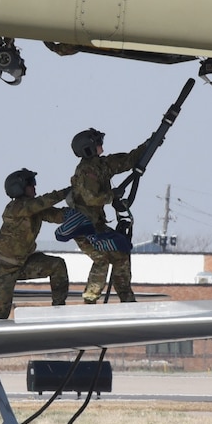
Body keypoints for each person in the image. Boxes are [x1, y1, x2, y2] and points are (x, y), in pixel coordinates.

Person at [68, 128, 146, 304]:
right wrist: (112, 195)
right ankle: (90, 300)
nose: (101, 145)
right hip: (83, 228)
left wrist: (151, 142)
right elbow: (91, 198)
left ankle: (126, 296)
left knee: (121, 253)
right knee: (101, 259)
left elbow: (128, 160)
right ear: (89, 148)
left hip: (97, 226)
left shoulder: (102, 165)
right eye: (98, 143)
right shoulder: (86, 171)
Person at [0, 167, 71, 318]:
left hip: (23, 263)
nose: (34, 186)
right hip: (3, 268)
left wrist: (83, 209)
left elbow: (59, 216)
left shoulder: (33, 208)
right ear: (20, 188)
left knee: (57, 265)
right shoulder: (16, 207)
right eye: (31, 183)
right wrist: (69, 191)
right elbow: (45, 201)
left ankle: (59, 311)